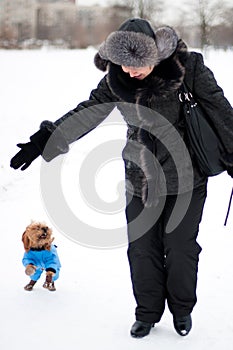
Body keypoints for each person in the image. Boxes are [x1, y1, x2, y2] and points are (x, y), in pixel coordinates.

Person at [10, 18, 233, 337]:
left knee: (181, 247)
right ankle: (147, 312)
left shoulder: (189, 68)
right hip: (140, 178)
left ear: (154, 55)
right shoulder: (117, 80)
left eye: (136, 64)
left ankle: (182, 310)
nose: (129, 72)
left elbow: (222, 111)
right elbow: (87, 111)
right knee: (142, 248)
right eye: (122, 65)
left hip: (187, 175)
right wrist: (44, 139)